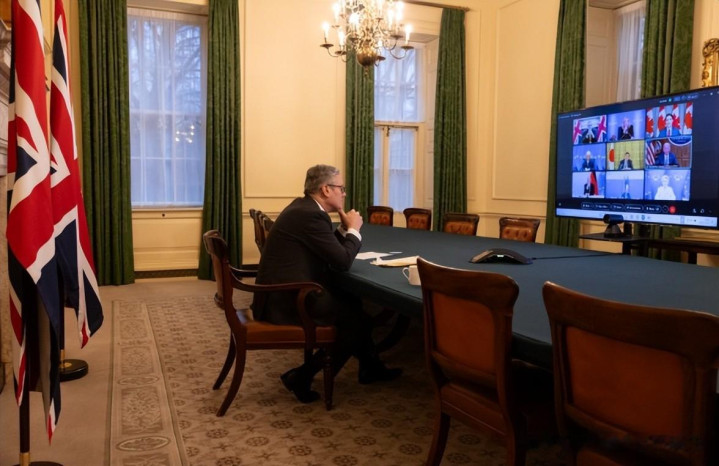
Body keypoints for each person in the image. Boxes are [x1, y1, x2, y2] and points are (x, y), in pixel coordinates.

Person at [252, 164, 401, 403]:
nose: (344, 193)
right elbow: (342, 261)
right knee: (356, 322)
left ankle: (370, 366)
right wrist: (354, 230)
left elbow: (326, 247)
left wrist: (343, 229)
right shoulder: (310, 214)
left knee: (353, 304)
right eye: (341, 188)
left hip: (284, 291)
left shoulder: (305, 208)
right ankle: (302, 376)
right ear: (325, 189)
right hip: (287, 299)